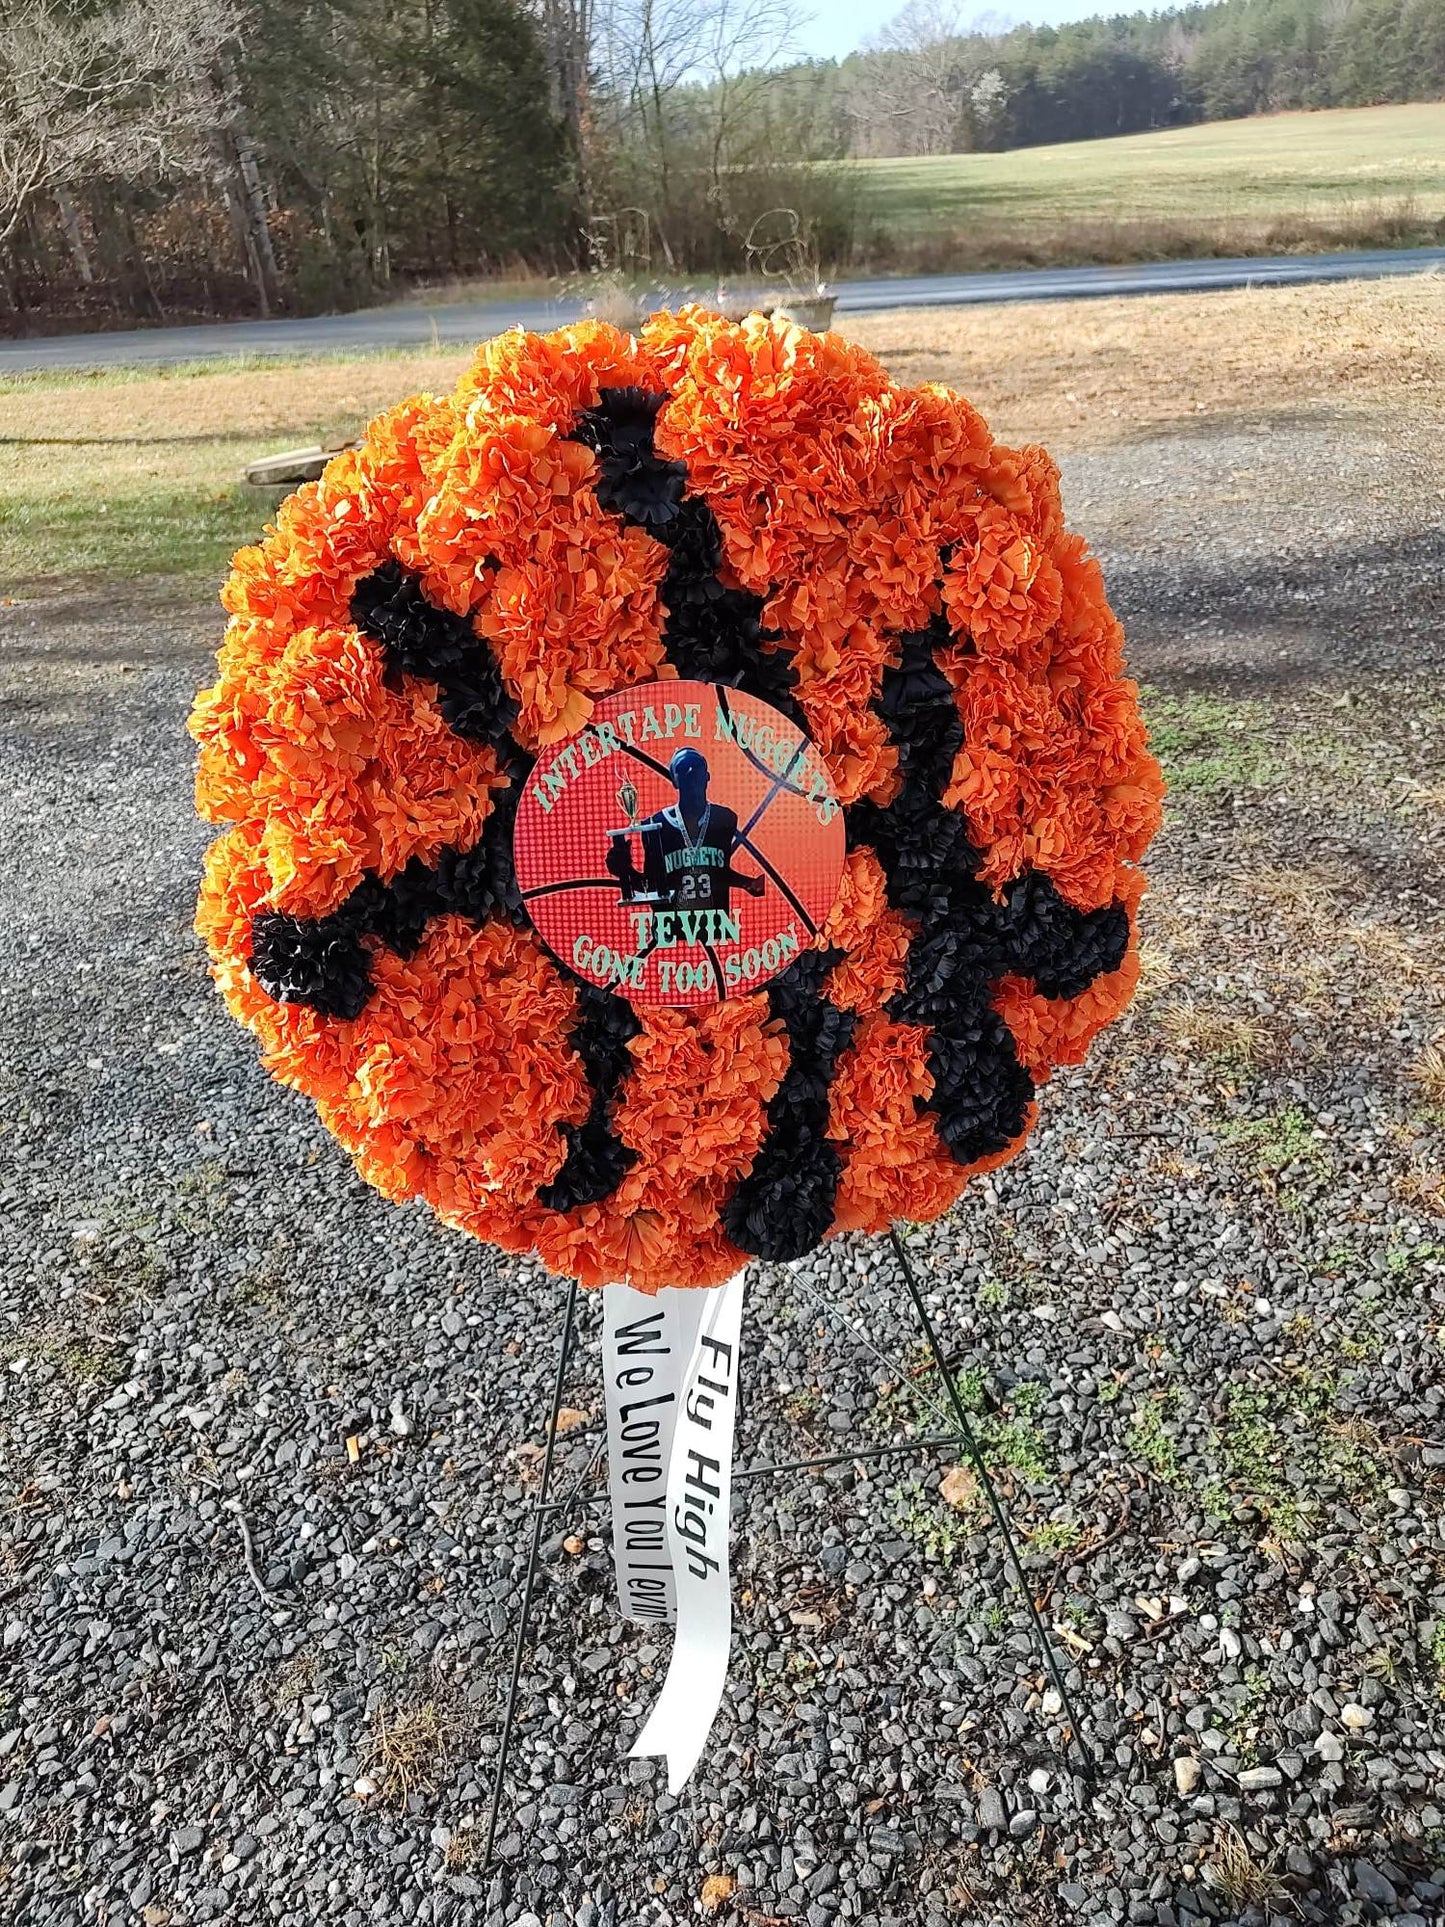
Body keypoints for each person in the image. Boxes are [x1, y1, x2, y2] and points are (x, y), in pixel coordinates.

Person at [606, 748, 765, 913]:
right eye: (682, 768)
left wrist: (750, 883)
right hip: (669, 928)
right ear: (674, 780)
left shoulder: (725, 819)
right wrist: (625, 871)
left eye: (695, 766)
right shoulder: (654, 824)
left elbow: (718, 872)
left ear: (707, 777)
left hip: (714, 927)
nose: (690, 771)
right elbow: (652, 885)